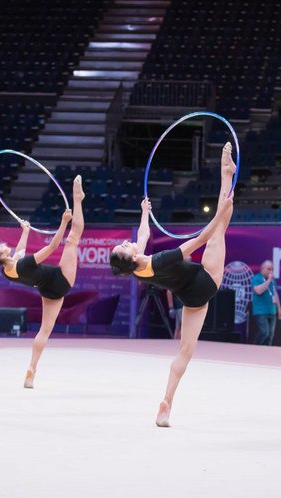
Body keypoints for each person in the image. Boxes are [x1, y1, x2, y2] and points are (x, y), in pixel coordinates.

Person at [109, 142, 236, 427]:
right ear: (129, 257)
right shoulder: (161, 259)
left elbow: (142, 235)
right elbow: (200, 239)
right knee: (219, 227)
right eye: (124, 246)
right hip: (206, 280)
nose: (127, 243)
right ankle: (225, 174)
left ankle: (166, 404)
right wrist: (219, 214)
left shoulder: (136, 268)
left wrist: (145, 212)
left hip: (191, 298)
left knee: (185, 352)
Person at [0, 175, 85, 388]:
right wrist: (63, 222)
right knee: (72, 238)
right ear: (1, 255)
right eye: (1, 246)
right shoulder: (24, 264)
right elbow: (53, 246)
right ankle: (78, 199)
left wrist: (26, 231)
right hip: (61, 279)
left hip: (48, 290)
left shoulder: (7, 270)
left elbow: (19, 251)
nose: (4, 244)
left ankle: (32, 368)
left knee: (44, 330)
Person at [251, 260, 281, 346]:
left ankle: (266, 354)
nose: (271, 271)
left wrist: (279, 309)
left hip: (272, 311)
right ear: (262, 269)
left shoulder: (273, 280)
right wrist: (268, 281)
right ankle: (255, 347)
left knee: (270, 336)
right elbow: (258, 291)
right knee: (264, 332)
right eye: (269, 269)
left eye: (272, 269)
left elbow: (275, 294)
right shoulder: (257, 278)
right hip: (260, 311)